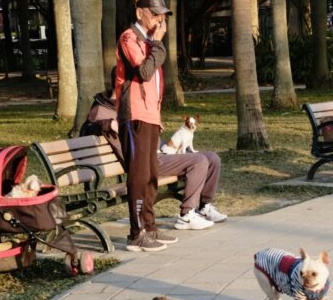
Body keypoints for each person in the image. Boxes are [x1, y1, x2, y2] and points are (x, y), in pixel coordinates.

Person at [81, 90, 228, 231]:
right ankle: (187, 215)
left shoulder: (129, 104)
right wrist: (106, 124)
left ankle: (203, 207)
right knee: (199, 160)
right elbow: (86, 131)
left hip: (158, 150)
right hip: (144, 161)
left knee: (212, 158)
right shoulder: (101, 110)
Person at [115, 0, 178, 252]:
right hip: (134, 116)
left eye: (162, 15)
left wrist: (157, 116)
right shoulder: (130, 37)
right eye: (155, 13)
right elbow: (144, 71)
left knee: (151, 174)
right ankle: (136, 233)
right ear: (140, 12)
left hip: (149, 116)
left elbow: (154, 84)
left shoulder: (150, 42)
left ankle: (149, 227)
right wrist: (159, 44)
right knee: (139, 175)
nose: (159, 19)